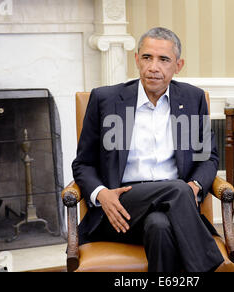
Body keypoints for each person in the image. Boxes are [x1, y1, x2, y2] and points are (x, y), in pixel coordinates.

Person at [72, 27, 225, 272]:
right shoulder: (106, 99)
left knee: (160, 226)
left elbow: (207, 158)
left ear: (178, 65)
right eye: (147, 57)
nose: (153, 67)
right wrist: (102, 194)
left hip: (174, 208)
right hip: (121, 207)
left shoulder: (192, 98)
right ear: (136, 60)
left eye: (163, 59)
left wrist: (194, 186)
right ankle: (210, 268)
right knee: (176, 190)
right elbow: (83, 163)